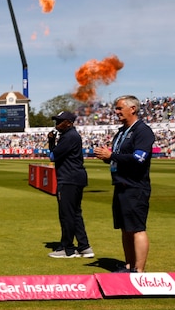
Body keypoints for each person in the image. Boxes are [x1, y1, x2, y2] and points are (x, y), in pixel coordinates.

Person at [93, 95, 155, 273]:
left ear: (132, 109)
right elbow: (120, 158)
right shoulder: (121, 132)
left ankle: (139, 270)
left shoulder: (143, 131)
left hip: (135, 187)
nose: (116, 111)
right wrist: (106, 157)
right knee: (125, 229)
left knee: (137, 229)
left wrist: (111, 156)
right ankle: (128, 266)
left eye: (120, 108)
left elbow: (139, 159)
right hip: (121, 185)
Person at [47, 111, 94, 259]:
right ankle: (84, 246)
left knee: (66, 214)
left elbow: (53, 156)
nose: (57, 124)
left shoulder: (68, 137)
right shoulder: (70, 135)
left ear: (69, 122)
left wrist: (51, 142)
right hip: (75, 177)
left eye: (60, 121)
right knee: (75, 214)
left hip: (68, 179)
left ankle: (67, 248)